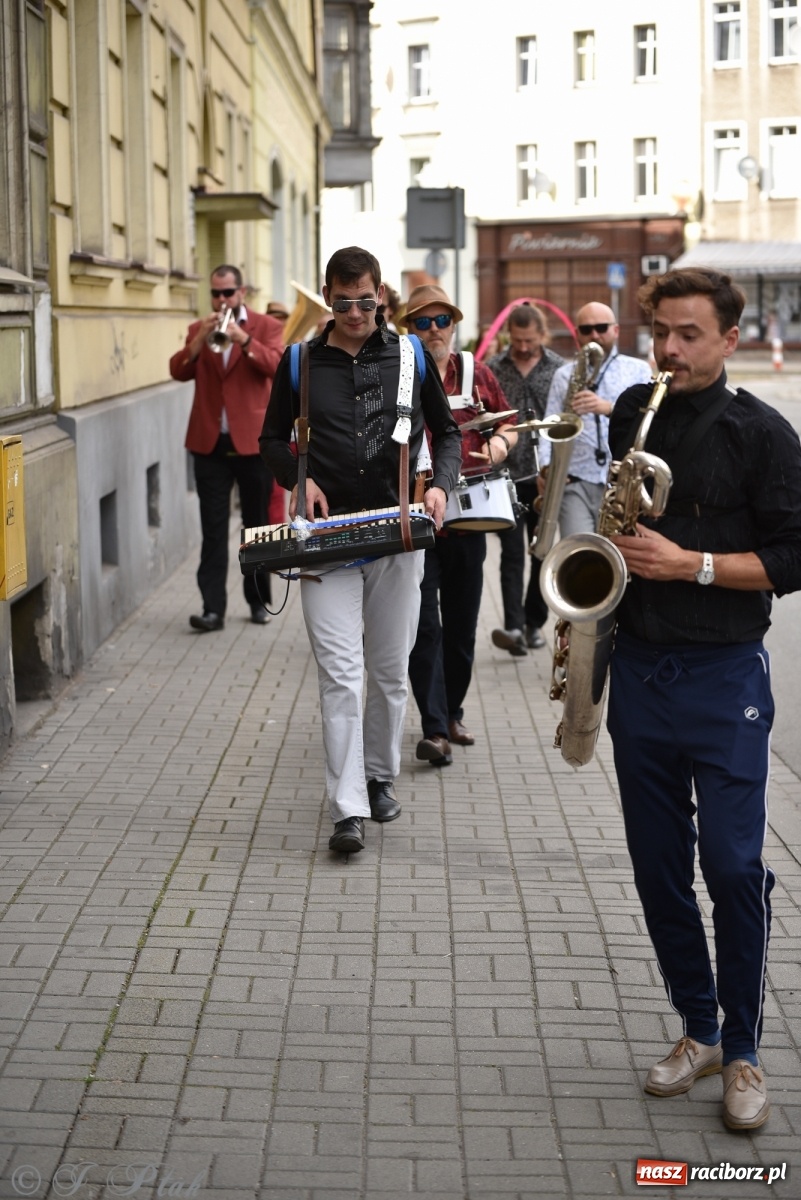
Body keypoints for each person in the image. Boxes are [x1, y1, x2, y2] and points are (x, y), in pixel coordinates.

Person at [605, 268, 801, 1131]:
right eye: (661, 335)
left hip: (725, 675)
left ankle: (747, 1045)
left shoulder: (765, 435)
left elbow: (794, 561)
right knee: (656, 868)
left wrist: (692, 565)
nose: (670, 351)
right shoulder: (630, 413)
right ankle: (696, 1028)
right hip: (639, 668)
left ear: (729, 339)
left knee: (729, 865)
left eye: (688, 335)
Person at [260, 248, 461, 854]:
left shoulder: (409, 356)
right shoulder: (298, 362)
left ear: (382, 297)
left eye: (365, 301)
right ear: (328, 296)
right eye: (343, 301)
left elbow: (446, 432)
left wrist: (442, 487)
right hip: (325, 539)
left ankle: (378, 778)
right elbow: (270, 438)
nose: (355, 312)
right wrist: (297, 479)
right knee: (340, 676)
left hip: (397, 532)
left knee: (389, 671)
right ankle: (346, 806)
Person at [406, 283, 517, 765]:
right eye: (422, 322)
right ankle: (434, 728)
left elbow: (506, 422)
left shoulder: (476, 372)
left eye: (441, 321)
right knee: (423, 625)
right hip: (414, 518)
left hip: (468, 518)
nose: (434, 331)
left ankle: (452, 711)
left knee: (462, 623)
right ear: (407, 329)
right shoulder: (398, 372)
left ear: (455, 324)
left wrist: (499, 445)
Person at [169, 265, 284, 631]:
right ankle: (212, 609)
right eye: (215, 294)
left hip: (252, 445)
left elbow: (278, 367)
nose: (221, 300)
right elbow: (177, 370)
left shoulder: (266, 327)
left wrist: (243, 340)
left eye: (227, 293)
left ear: (242, 292)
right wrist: (200, 339)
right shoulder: (198, 329)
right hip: (209, 444)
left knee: (257, 528)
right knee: (214, 529)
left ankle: (258, 602)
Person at [486, 304, 565, 655]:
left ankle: (536, 623)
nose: (521, 347)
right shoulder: (493, 368)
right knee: (511, 553)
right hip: (504, 475)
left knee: (542, 552)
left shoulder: (560, 369)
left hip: (544, 476)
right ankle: (514, 627)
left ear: (542, 336)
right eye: (516, 340)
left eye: (529, 340)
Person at [537, 302, 651, 538]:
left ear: (616, 330)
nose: (594, 335)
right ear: (577, 334)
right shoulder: (563, 375)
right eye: (586, 329)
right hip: (575, 480)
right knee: (580, 551)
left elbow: (651, 422)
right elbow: (549, 425)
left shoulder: (638, 370)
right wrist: (548, 468)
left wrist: (610, 408)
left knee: (618, 555)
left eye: (601, 327)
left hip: (622, 483)